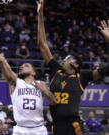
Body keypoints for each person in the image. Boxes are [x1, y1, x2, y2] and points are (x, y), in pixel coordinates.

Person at [37, 0, 109, 134]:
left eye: (68, 58)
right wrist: (40, 15)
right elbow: (42, 44)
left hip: (73, 126)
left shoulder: (83, 77)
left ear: (75, 64)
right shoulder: (56, 70)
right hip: (56, 126)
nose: (64, 59)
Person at [0, 26, 56, 135]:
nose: (22, 67)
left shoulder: (41, 84)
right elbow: (1, 61)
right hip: (20, 129)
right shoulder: (16, 81)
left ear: (34, 72)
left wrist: (46, 92)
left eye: (26, 65)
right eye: (21, 66)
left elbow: (54, 102)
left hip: (39, 129)